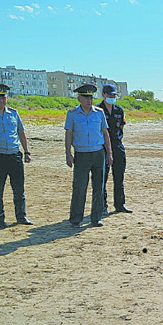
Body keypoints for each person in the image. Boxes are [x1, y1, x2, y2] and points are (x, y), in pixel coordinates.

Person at [0, 84, 33, 228]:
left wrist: (26, 151)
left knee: (19, 189)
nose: (0, 101)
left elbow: (21, 132)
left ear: (7, 98)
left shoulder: (14, 114)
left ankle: (21, 217)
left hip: (14, 156)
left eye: (3, 98)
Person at [65, 84, 113, 227]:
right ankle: (76, 219)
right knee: (79, 187)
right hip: (81, 154)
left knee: (98, 187)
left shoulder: (99, 113)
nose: (89, 101)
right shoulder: (72, 114)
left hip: (98, 153)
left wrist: (109, 153)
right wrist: (68, 153)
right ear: (79, 98)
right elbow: (69, 134)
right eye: (85, 98)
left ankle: (96, 217)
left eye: (91, 98)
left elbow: (105, 133)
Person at [96, 84, 132, 216]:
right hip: (102, 147)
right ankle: (102, 206)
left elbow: (121, 127)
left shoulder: (119, 110)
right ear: (103, 95)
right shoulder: (98, 110)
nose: (112, 97)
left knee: (119, 177)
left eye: (114, 95)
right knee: (102, 179)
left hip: (117, 146)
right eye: (109, 95)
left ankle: (120, 204)